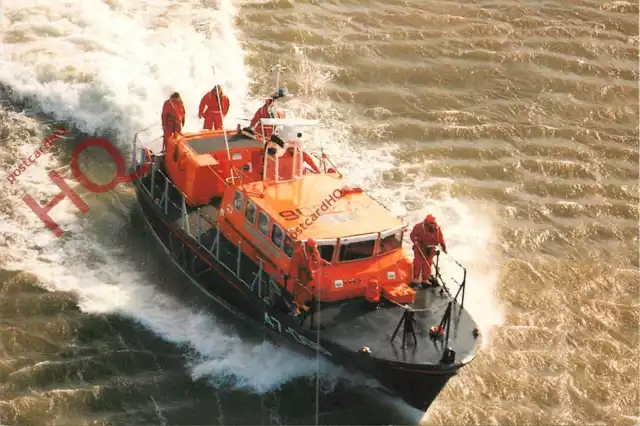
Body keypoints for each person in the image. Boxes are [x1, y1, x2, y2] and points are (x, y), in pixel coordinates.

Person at [287, 237, 329, 314]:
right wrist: (294, 277)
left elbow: (317, 259)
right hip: (300, 275)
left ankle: (301, 304)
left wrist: (324, 263)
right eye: (312, 247)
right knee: (298, 292)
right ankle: (295, 308)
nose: (313, 249)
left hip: (308, 274)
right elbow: (294, 266)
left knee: (305, 292)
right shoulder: (298, 253)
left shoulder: (312, 251)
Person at [410, 214, 447, 287]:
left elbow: (441, 239)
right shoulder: (419, 227)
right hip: (420, 249)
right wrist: (415, 241)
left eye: (433, 223)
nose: (432, 224)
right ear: (426, 222)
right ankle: (415, 279)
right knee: (418, 264)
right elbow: (412, 235)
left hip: (430, 250)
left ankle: (425, 280)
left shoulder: (437, 229)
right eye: (431, 223)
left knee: (427, 265)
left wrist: (444, 248)